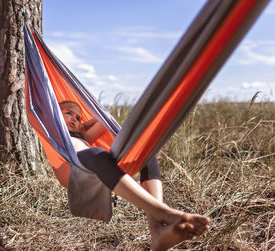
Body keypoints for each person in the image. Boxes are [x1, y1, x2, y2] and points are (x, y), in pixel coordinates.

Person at [59, 100, 210, 251]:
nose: (74, 119)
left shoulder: (84, 136)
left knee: (146, 155)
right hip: (72, 167)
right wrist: (64, 118)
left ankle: (157, 232)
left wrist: (83, 125)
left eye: (78, 118)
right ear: (55, 112)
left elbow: (103, 118)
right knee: (96, 153)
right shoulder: (53, 130)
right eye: (68, 113)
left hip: (96, 165)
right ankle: (164, 212)